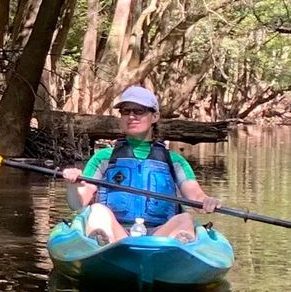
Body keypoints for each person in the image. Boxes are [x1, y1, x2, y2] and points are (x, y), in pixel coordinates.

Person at [75, 84, 215, 243]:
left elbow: (195, 196)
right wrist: (74, 185)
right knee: (98, 211)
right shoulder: (103, 158)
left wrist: (206, 201)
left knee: (185, 219)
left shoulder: (175, 161)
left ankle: (177, 248)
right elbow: (78, 202)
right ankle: (102, 244)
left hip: (160, 236)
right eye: (125, 111)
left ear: (154, 117)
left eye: (139, 111)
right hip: (116, 233)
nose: (131, 116)